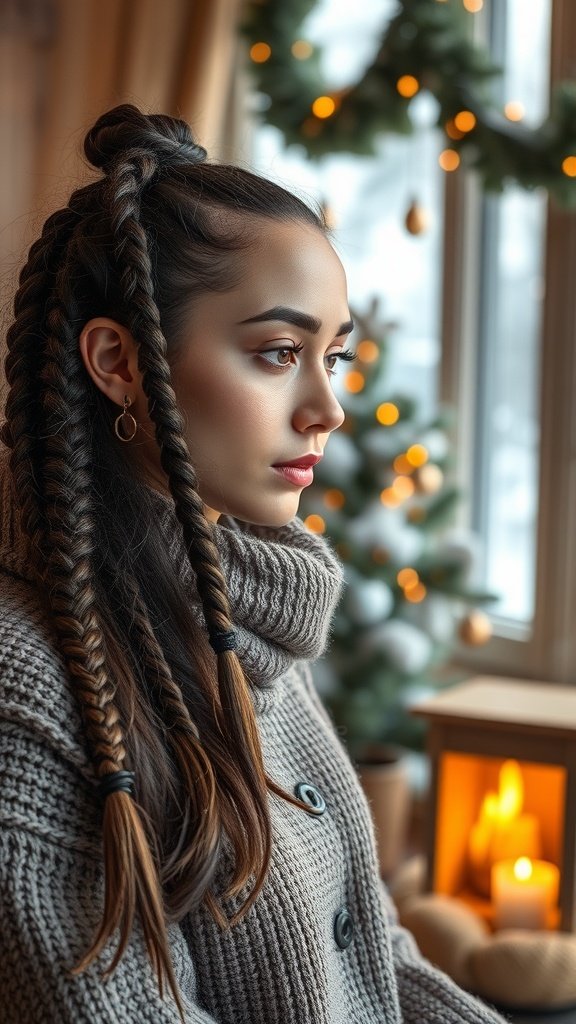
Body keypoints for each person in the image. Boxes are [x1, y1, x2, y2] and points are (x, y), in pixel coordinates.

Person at [0, 104, 506, 1023]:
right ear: (118, 362)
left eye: (334, 356)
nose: (328, 408)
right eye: (278, 354)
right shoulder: (26, 685)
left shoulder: (240, 619)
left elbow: (375, 960)